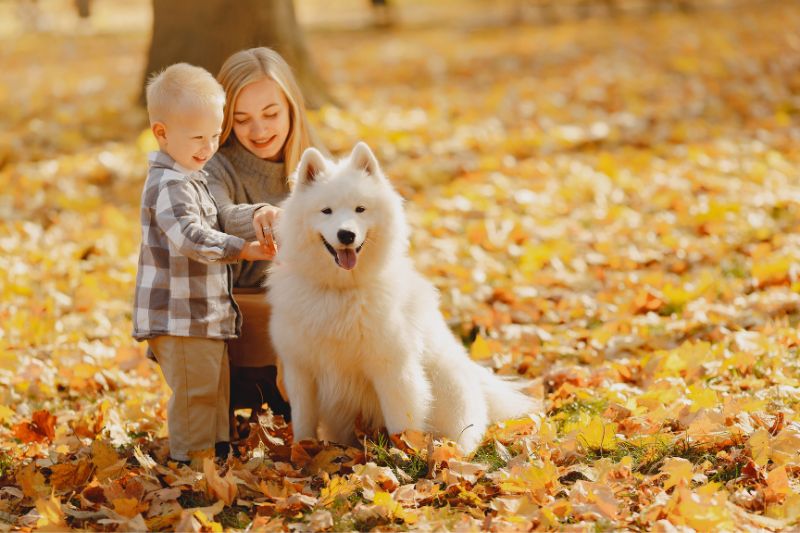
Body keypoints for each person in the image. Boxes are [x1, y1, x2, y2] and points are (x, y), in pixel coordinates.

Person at [132, 63, 274, 463]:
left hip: (203, 314)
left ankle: (216, 450)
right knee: (196, 393)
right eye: (198, 137)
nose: (208, 146)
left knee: (214, 388)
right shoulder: (169, 184)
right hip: (179, 316)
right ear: (162, 133)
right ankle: (190, 461)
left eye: (214, 135)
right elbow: (190, 236)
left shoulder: (191, 175)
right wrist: (242, 248)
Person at [204, 47, 321, 432]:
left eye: (271, 114)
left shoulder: (311, 161)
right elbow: (216, 214)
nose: (259, 131)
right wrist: (258, 215)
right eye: (242, 120)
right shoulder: (217, 165)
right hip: (243, 297)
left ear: (291, 107)